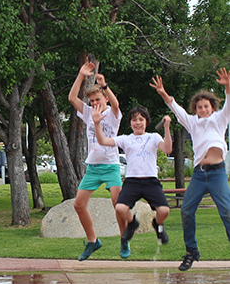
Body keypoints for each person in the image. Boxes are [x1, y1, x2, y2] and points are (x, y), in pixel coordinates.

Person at [151, 69, 230, 271]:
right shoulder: (192, 122)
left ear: (212, 107)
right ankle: (191, 251)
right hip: (199, 174)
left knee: (227, 212)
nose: (203, 109)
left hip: (217, 173)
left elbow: (228, 104)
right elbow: (175, 107)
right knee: (186, 211)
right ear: (195, 109)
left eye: (206, 106)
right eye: (199, 107)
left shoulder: (219, 119)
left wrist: (227, 86)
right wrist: (162, 93)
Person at [92, 105, 172, 258]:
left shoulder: (154, 137)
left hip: (151, 181)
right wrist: (97, 123)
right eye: (134, 120)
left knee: (164, 211)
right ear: (130, 123)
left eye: (141, 119)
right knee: (120, 208)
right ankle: (132, 223)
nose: (138, 123)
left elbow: (168, 149)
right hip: (132, 182)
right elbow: (102, 141)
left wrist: (167, 127)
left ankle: (157, 225)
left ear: (146, 122)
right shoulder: (125, 139)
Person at [68, 62, 123, 260]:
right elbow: (72, 98)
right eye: (91, 101)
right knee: (78, 205)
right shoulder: (89, 115)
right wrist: (81, 75)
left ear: (105, 99)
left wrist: (105, 85)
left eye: (98, 99)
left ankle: (124, 239)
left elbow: (116, 105)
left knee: (118, 202)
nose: (94, 104)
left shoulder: (112, 114)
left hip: (110, 166)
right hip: (93, 167)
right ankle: (93, 241)